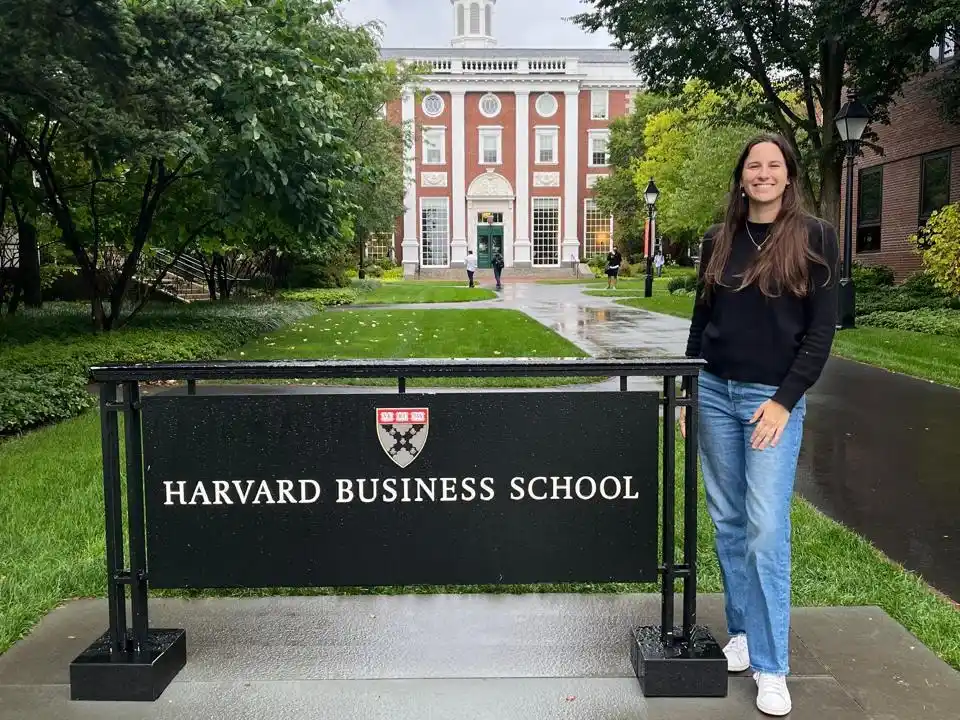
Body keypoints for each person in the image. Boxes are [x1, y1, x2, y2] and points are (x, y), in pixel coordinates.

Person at [679, 134, 839, 717]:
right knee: (727, 518)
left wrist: (783, 401)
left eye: (774, 165)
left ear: (788, 175)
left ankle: (773, 668)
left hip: (770, 399)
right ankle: (743, 632)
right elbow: (701, 321)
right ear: (742, 176)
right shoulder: (718, 240)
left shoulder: (814, 237)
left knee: (766, 527)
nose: (764, 174)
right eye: (754, 165)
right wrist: (687, 390)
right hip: (715, 393)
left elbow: (822, 331)